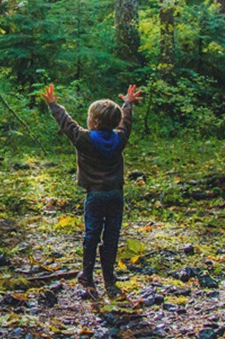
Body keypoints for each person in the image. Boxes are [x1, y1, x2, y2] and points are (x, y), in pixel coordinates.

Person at [43, 83, 143, 296]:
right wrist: (127, 103)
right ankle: (108, 277)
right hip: (116, 194)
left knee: (92, 234)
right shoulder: (119, 139)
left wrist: (53, 105)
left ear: (95, 122)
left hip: (95, 195)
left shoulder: (84, 139)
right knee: (112, 235)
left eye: (89, 117)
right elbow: (126, 123)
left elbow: (67, 124)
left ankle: (87, 275)